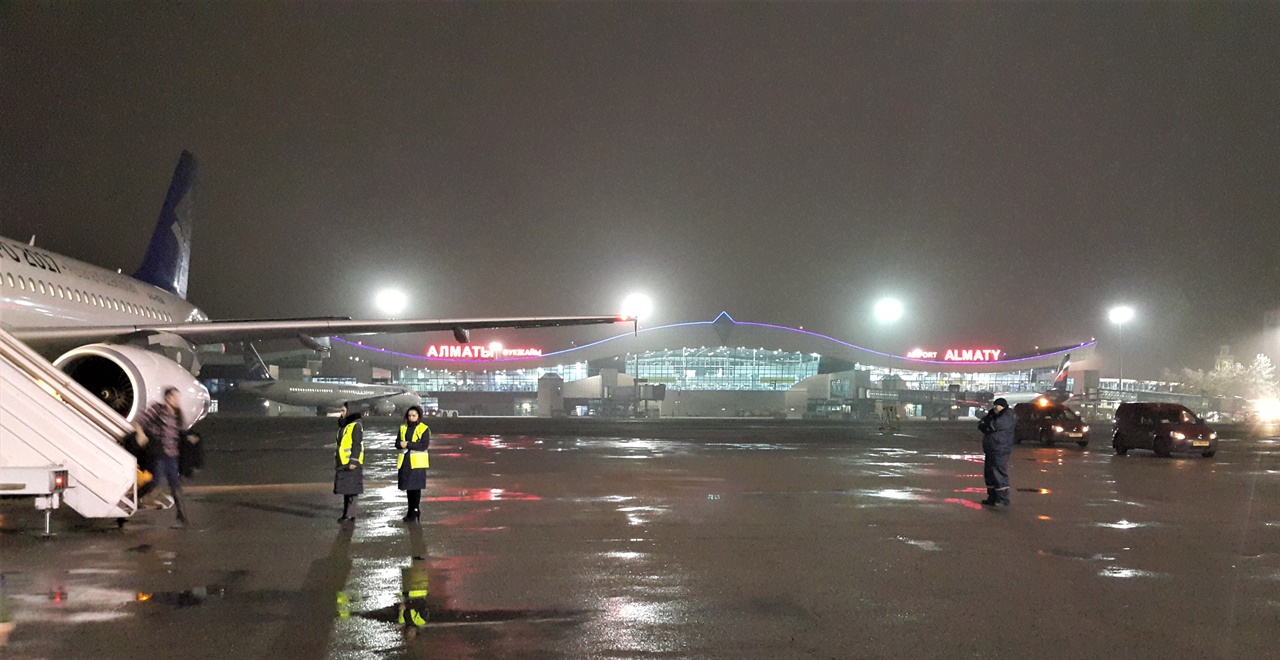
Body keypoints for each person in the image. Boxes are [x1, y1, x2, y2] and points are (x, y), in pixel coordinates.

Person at [137, 386, 188, 527]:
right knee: (154, 482)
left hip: (172, 455)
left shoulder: (177, 414)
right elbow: (140, 421)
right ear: (167, 398)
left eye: (178, 398)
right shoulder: (157, 410)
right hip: (159, 453)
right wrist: (141, 434)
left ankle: (181, 518)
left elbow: (180, 433)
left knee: (175, 485)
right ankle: (134, 501)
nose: (177, 400)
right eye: (175, 397)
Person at [978, 397, 1016, 507]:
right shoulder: (994, 415)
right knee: (989, 474)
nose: (995, 407)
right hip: (991, 449)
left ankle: (1003, 499)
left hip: (1000, 449)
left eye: (997, 405)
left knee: (999, 473)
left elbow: (991, 426)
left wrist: (986, 423)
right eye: (994, 405)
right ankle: (992, 497)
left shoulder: (1007, 416)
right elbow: (982, 425)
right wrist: (986, 422)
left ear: (1003, 406)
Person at [396, 406, 430, 523]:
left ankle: (414, 511)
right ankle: (412, 511)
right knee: (409, 489)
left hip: (417, 463)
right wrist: (401, 444)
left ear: (418, 417)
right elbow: (397, 443)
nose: (411, 418)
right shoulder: (402, 428)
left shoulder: (423, 428)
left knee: (415, 489)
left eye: (414, 416)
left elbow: (424, 445)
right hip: (405, 462)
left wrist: (408, 444)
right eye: (409, 415)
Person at [335, 402, 367, 523]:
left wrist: (354, 460)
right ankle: (347, 514)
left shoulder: (356, 426)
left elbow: (357, 444)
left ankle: (349, 514)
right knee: (347, 490)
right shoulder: (345, 426)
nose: (341, 413)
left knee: (352, 490)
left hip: (352, 463)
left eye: (343, 411)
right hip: (343, 462)